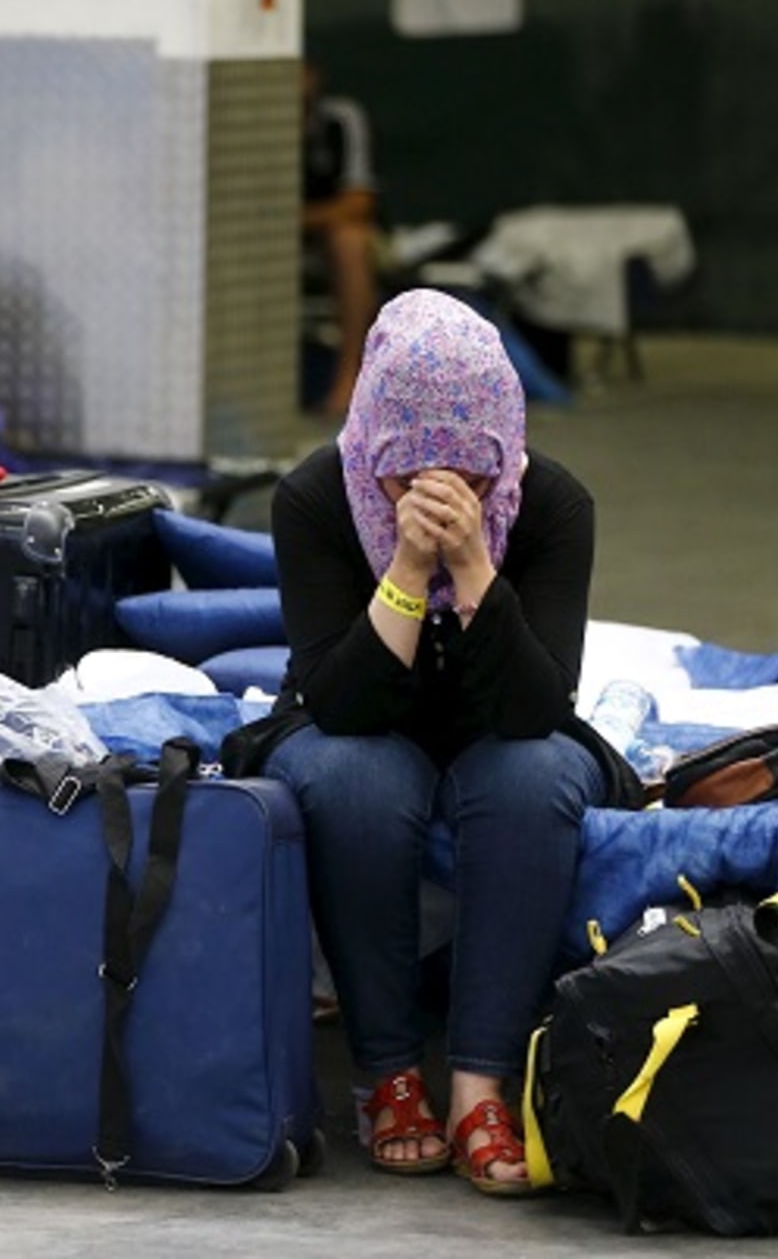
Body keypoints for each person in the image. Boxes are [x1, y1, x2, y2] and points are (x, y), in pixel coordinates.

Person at [257, 289, 605, 1194]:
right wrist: (410, 568)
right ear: (372, 448)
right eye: (408, 482)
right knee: (356, 778)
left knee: (534, 779)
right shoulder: (314, 499)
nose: (444, 501)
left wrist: (476, 567)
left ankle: (481, 1081)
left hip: (500, 724)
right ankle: (389, 1073)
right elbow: (341, 705)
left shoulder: (552, 506)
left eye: (473, 482)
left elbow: (537, 708)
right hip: (358, 719)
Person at [302, 62, 381, 420]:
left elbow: (358, 202)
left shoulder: (340, 119)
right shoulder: (249, 119)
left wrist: (301, 220)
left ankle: (349, 379)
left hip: (326, 232)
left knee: (350, 242)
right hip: (260, 238)